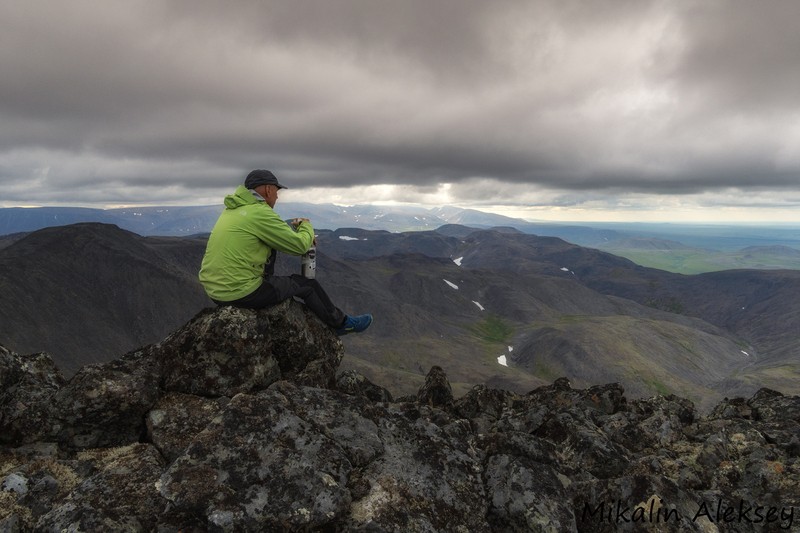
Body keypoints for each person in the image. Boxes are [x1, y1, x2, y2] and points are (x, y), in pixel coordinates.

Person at [199, 169, 372, 335]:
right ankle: (341, 324)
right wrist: (306, 227)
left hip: (215, 290)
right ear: (268, 190)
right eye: (276, 191)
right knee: (307, 285)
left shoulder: (233, 210)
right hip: (239, 292)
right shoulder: (259, 213)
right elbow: (299, 246)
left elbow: (273, 235)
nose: (277, 196)